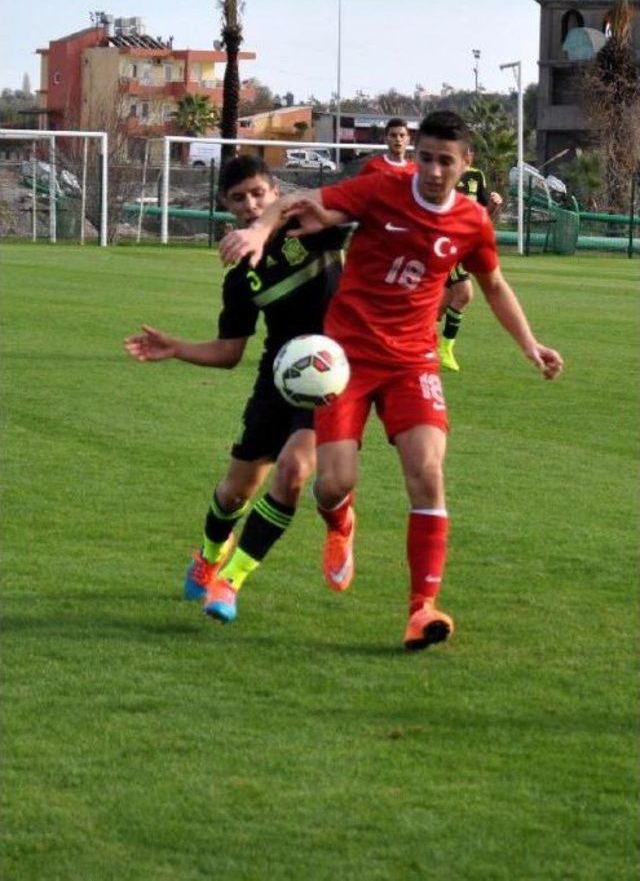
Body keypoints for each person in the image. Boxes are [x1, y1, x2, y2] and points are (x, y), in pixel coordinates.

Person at [219, 111, 563, 652]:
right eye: (424, 157)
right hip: (347, 361)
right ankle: (340, 521)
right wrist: (260, 230)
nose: (430, 170)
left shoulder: (472, 221)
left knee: (427, 470)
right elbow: (297, 201)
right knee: (332, 483)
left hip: (412, 362)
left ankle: (420, 609)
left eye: (444, 161)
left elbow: (493, 284)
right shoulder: (383, 188)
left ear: (465, 164)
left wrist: (530, 345)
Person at [124, 155, 346, 624]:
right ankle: (208, 556)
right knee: (235, 494)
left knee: (293, 471)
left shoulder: (315, 228)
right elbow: (229, 353)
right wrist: (177, 348)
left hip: (329, 379)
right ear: (226, 206)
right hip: (277, 381)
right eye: (238, 198)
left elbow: (342, 208)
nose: (250, 204)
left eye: (258, 194)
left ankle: (231, 581)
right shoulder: (240, 277)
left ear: (273, 193)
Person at [438, 160, 503, 372]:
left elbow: (482, 214)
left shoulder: (477, 176)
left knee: (440, 305)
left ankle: (416, 343)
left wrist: (494, 203)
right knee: (464, 293)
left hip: (466, 244)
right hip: (447, 244)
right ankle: (445, 349)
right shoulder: (443, 175)